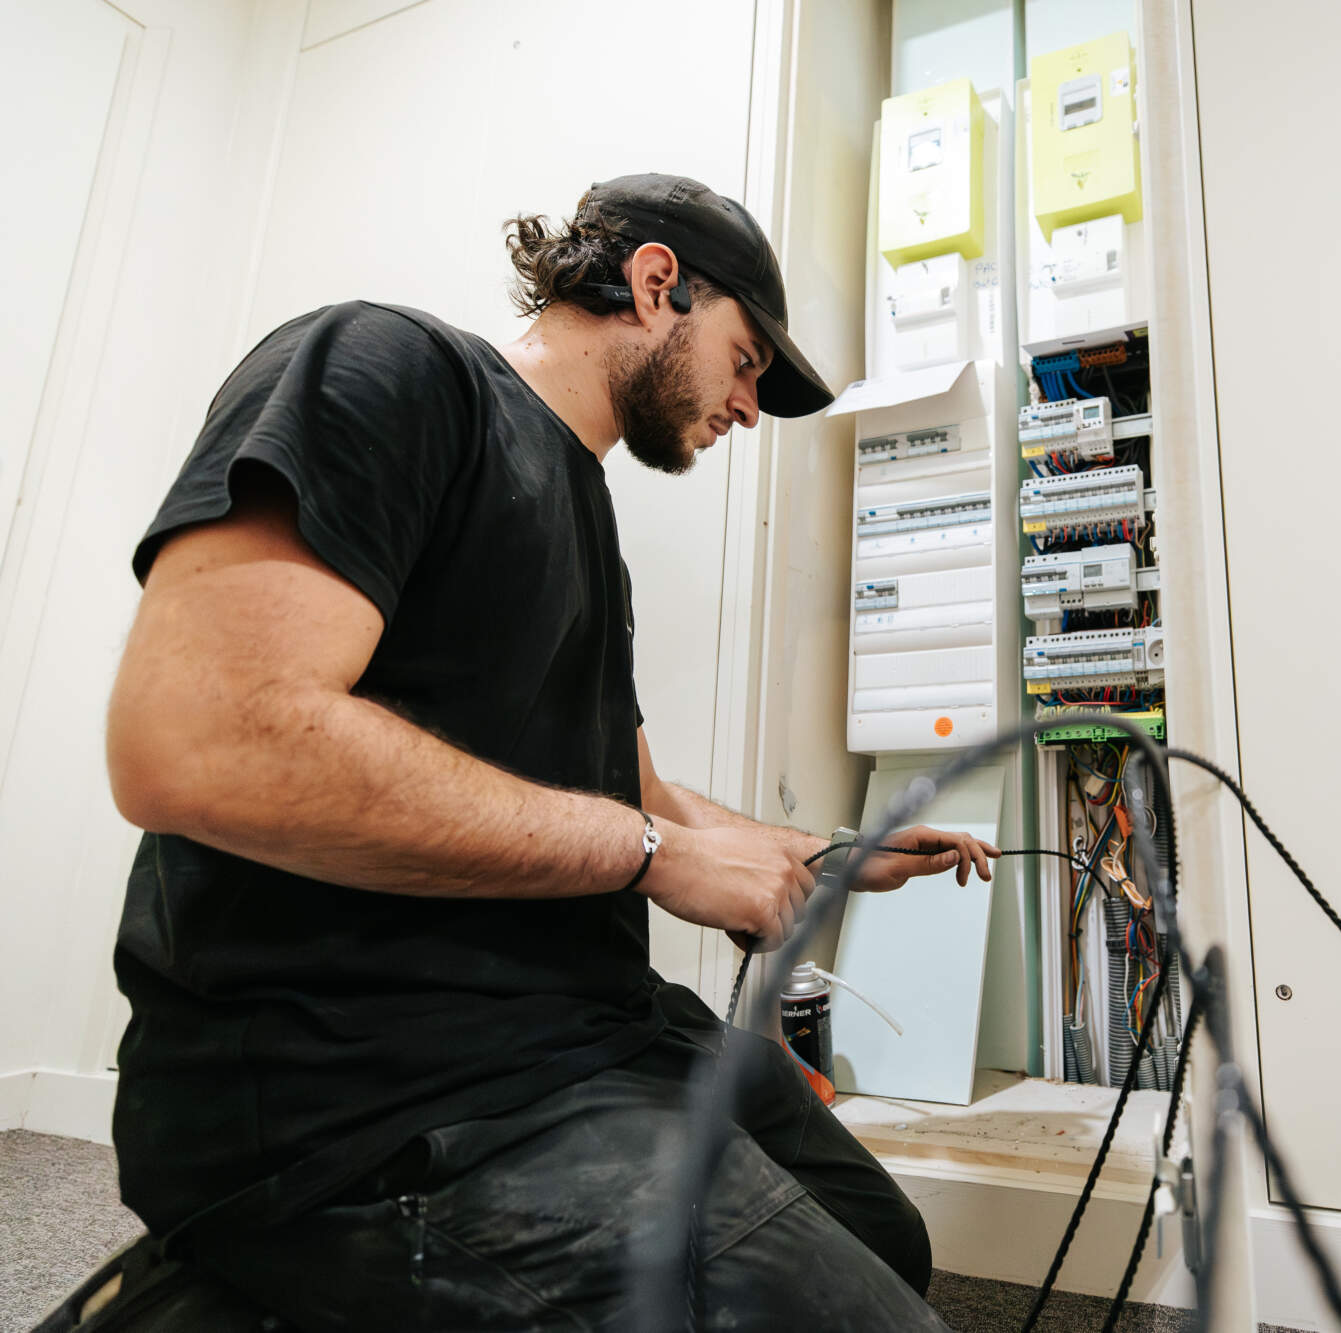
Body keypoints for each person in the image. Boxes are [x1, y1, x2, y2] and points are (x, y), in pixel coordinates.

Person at [102, 173, 995, 1329]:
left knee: (885, 1238)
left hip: (583, 1030)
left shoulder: (586, 521)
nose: (748, 405)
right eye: (744, 359)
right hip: (368, 1087)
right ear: (656, 281)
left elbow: (638, 797)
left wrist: (830, 852)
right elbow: (200, 738)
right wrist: (652, 854)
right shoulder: (389, 368)